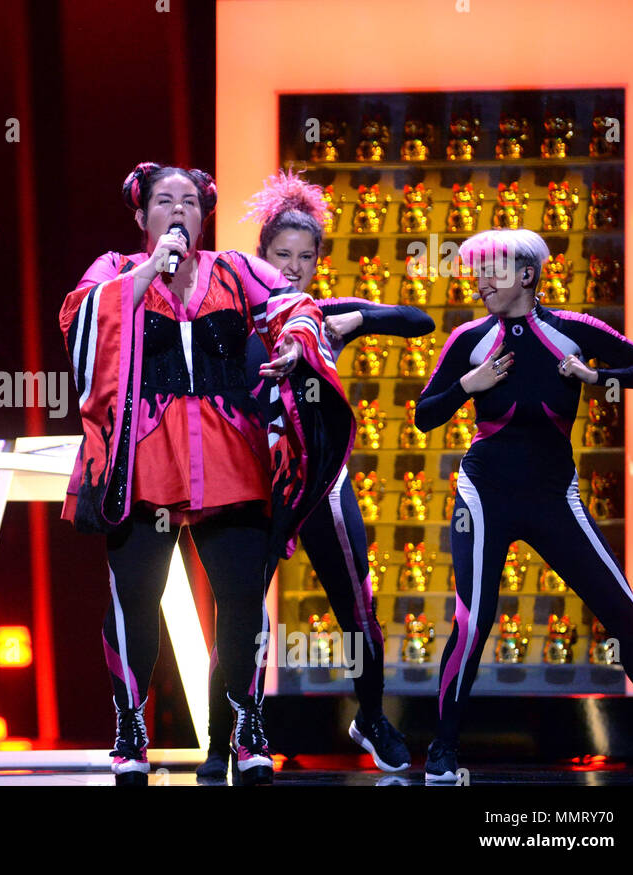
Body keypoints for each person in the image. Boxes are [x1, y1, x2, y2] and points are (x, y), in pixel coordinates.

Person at [59, 162, 355, 785]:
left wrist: (296, 341)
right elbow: (80, 324)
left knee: (243, 600)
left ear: (203, 216)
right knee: (135, 601)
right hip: (145, 461)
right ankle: (131, 725)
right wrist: (149, 271)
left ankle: (247, 723)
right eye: (164, 202)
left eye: (190, 203)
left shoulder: (233, 269)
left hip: (230, 458)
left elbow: (294, 302)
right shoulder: (114, 271)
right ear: (143, 218)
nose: (178, 212)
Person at [197, 169, 434, 778]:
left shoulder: (325, 315)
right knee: (241, 612)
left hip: (324, 488)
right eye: (283, 255)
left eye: (306, 257)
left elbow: (418, 321)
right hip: (256, 488)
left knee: (356, 606)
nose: (295, 267)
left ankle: (372, 716)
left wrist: (356, 322)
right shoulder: (231, 320)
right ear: (261, 256)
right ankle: (223, 740)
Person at [414, 228, 633, 784]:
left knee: (625, 614)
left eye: (492, 271)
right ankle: (443, 750)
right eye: (476, 271)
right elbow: (424, 415)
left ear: (527, 275)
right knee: (472, 619)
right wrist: (468, 386)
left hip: (555, 495)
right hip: (484, 493)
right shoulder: (470, 339)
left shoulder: (573, 331)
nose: (479, 282)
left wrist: (597, 377)